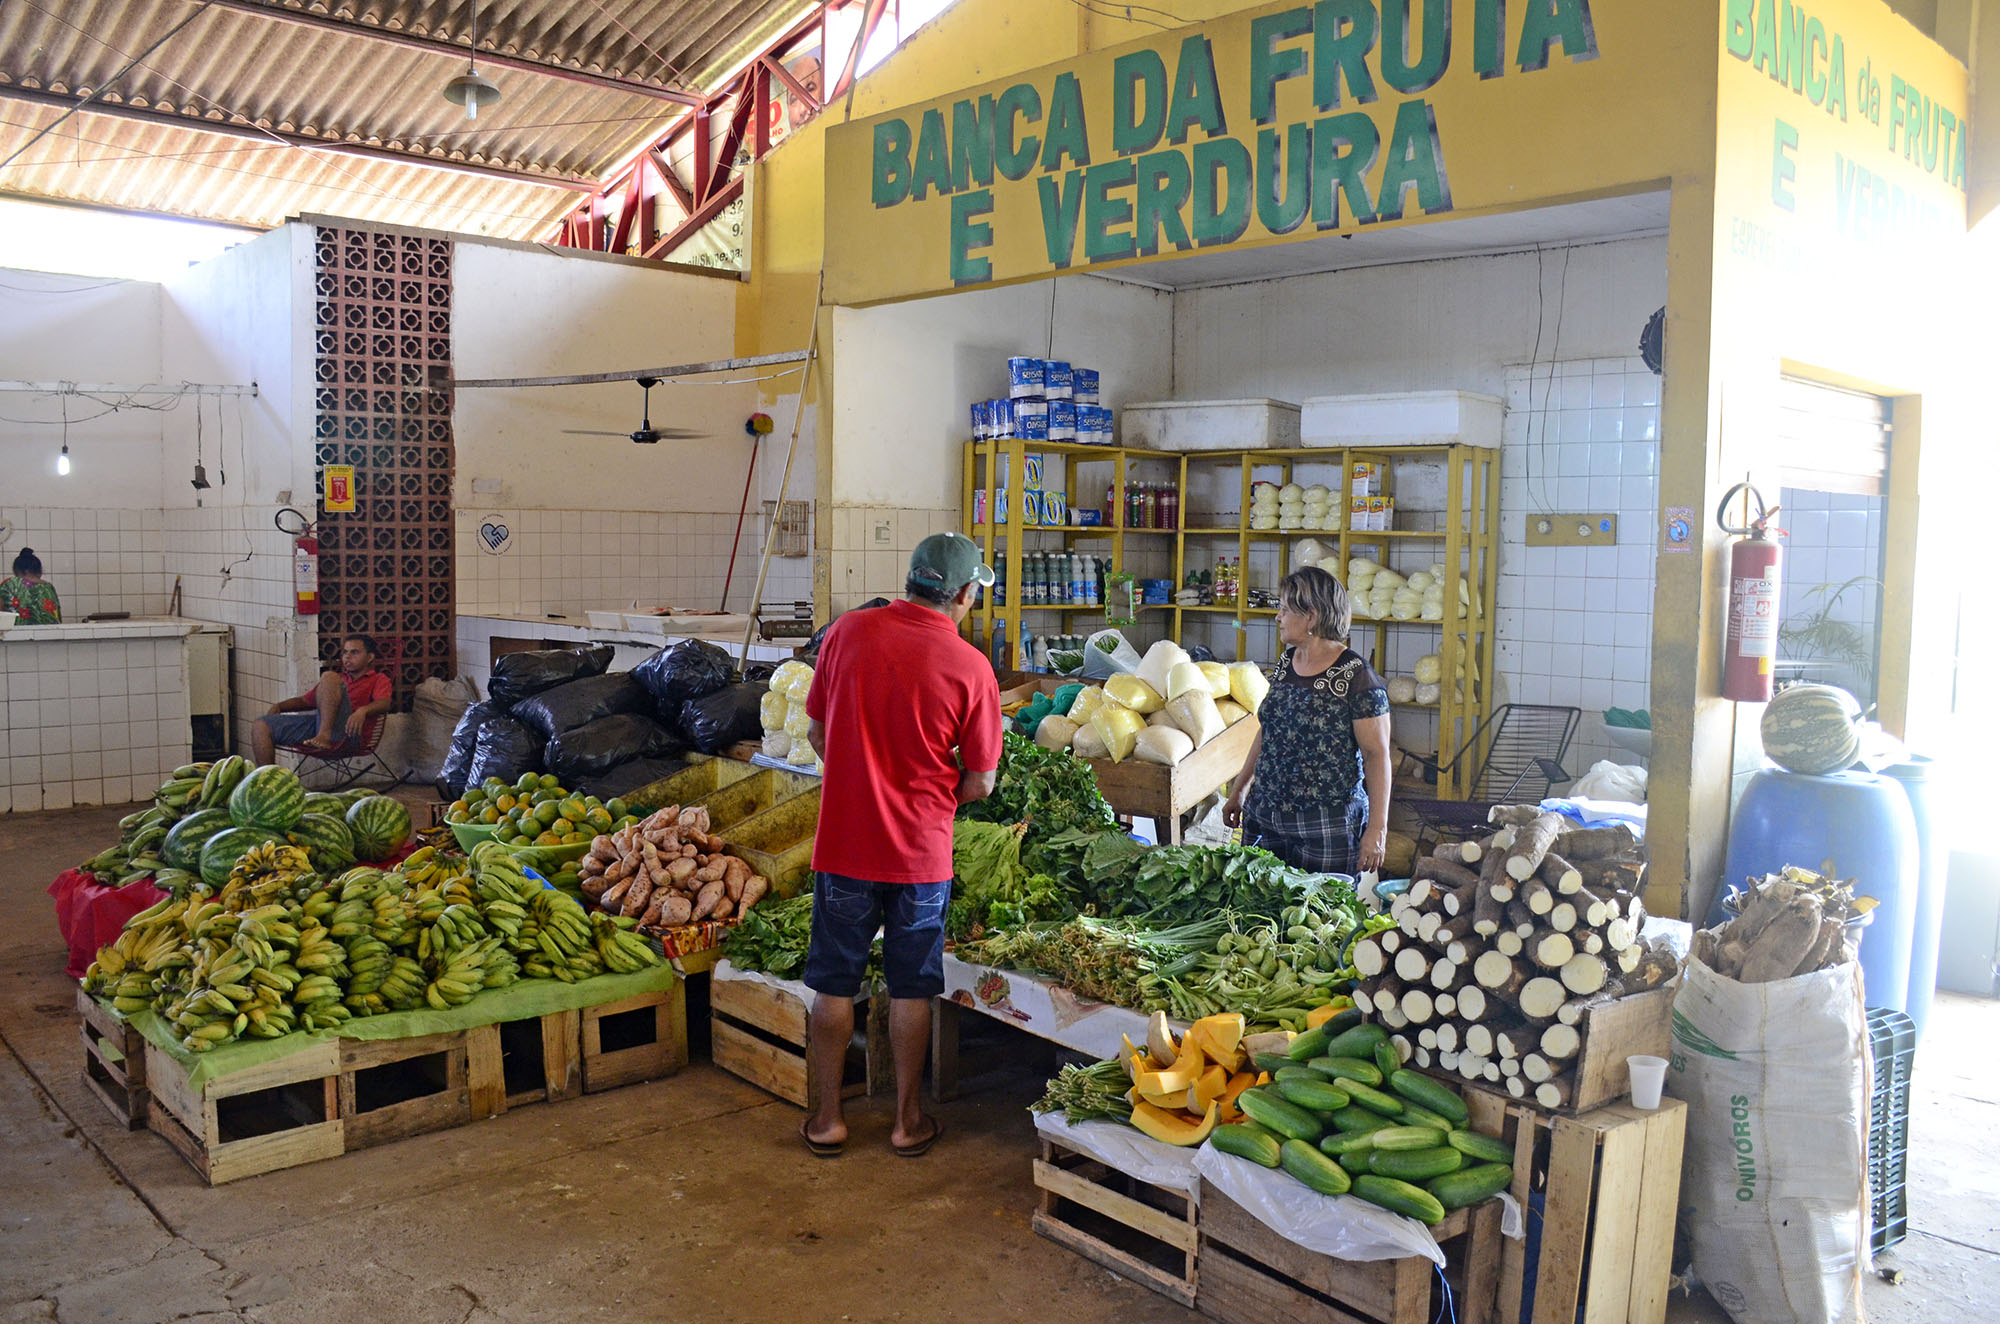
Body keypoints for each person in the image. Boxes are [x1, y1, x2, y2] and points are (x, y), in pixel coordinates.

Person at [798, 533, 1001, 1159]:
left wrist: (860, 782)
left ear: (911, 579)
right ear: (965, 595)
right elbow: (982, 781)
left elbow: (816, 732)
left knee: (833, 984)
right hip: (920, 856)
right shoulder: (971, 667)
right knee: (912, 987)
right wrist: (931, 800)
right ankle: (906, 1123)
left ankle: (827, 1121)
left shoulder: (847, 634)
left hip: (844, 848)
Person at [1223, 567, 1393, 875]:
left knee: (1322, 917)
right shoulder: (1288, 661)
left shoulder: (1357, 676)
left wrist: (1377, 830)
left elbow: (1376, 755)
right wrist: (1240, 789)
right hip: (1265, 818)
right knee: (1260, 913)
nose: (1278, 617)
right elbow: (1269, 729)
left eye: (1286, 609)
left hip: (1327, 828)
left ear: (1311, 617)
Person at [251, 634, 393, 765]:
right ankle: (265, 780)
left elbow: (384, 703)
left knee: (329, 676)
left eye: (354, 652)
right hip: (319, 727)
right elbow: (306, 701)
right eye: (345, 652)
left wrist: (363, 711)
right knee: (261, 725)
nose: (347, 657)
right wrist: (280, 706)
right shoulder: (338, 681)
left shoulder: (378, 679)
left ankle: (325, 735)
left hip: (351, 735)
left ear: (369, 657)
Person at [0, 548, 61, 623]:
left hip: (18, 634)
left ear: (16, 571)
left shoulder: (9, 584)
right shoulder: (49, 587)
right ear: (39, 571)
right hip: (51, 633)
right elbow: (58, 618)